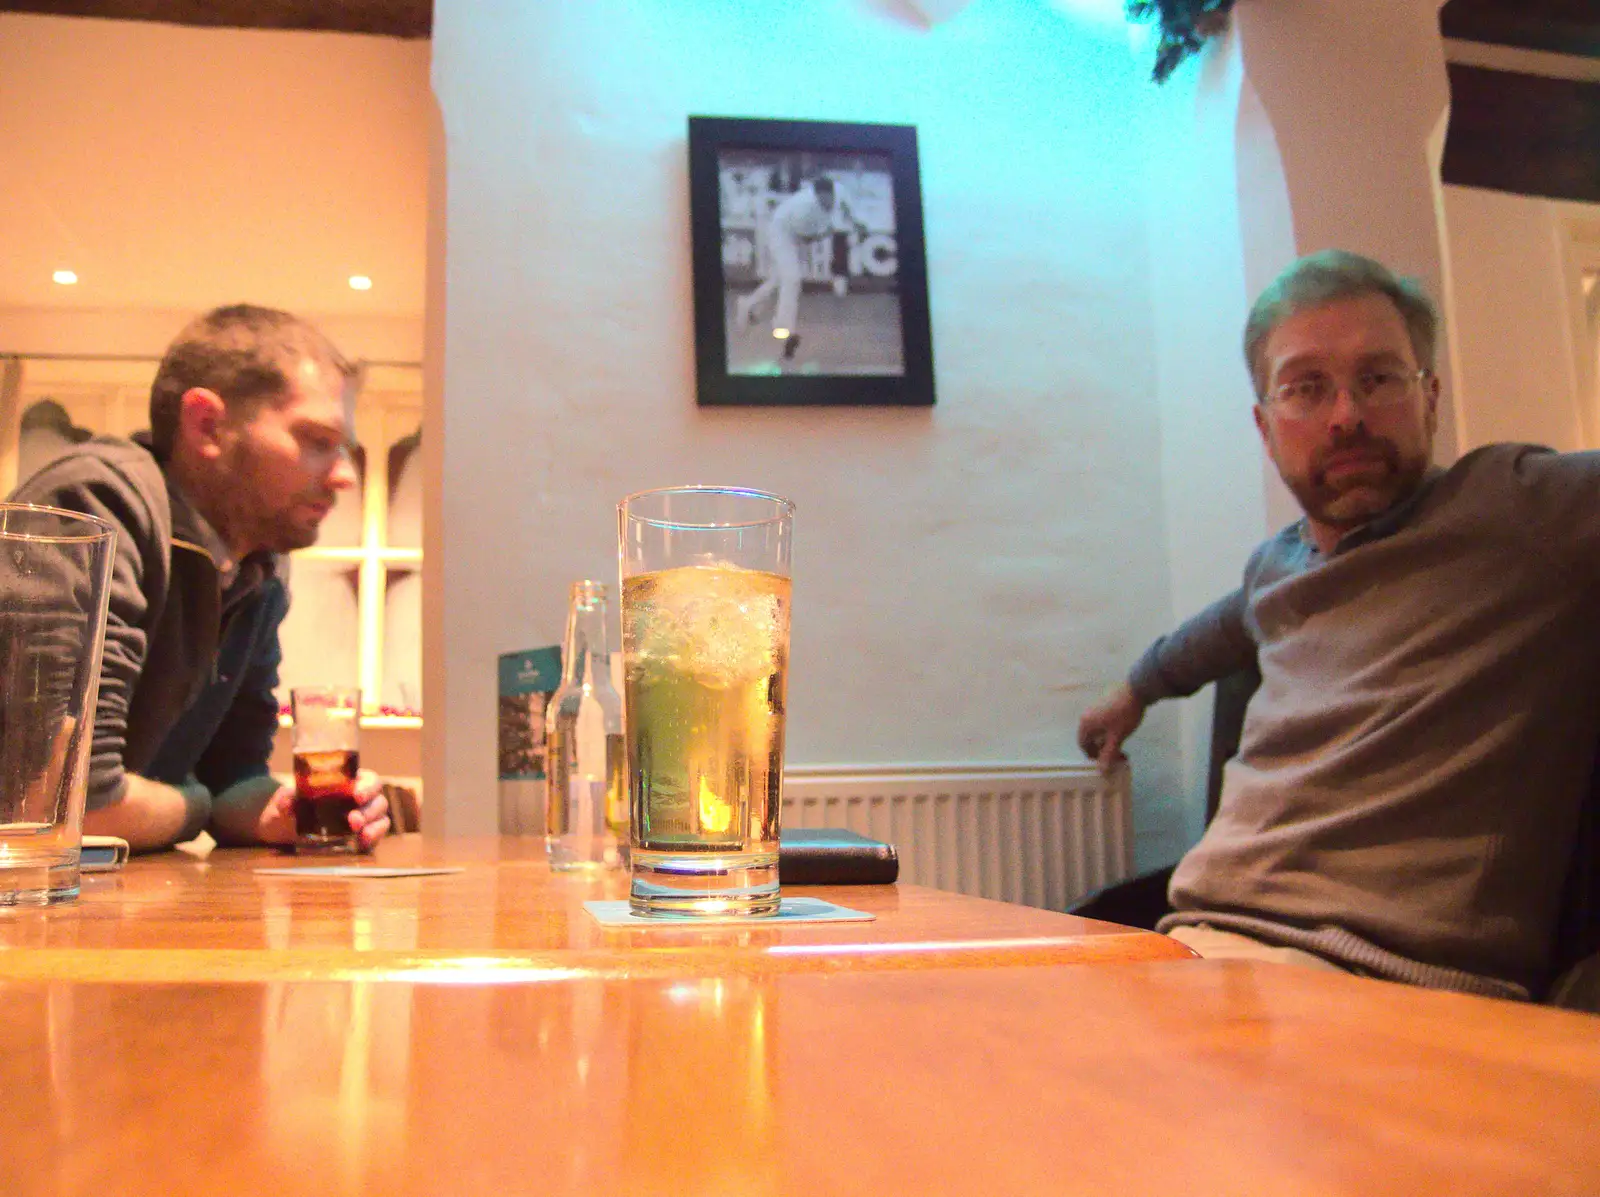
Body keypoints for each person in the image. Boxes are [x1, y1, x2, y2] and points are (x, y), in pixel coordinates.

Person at [1077, 250, 1600, 1003]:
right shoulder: (1276, 569)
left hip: (1378, 978)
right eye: (1307, 387)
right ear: (1265, 426)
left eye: (1379, 377)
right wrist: (1130, 692)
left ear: (1431, 396)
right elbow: (1215, 632)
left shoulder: (1518, 512)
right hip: (1198, 949)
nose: (1346, 414)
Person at [8, 305, 391, 853]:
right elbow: (69, 803)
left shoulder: (258, 564)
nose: (345, 475)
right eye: (315, 439)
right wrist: (195, 803)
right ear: (207, 424)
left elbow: (234, 772)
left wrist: (285, 811)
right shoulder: (95, 506)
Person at [734, 175, 868, 365]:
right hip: (782, 232)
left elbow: (847, 209)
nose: (826, 202)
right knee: (792, 278)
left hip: (799, 232)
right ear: (815, 195)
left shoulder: (840, 191)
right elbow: (805, 238)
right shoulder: (805, 208)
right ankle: (783, 327)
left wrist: (857, 224)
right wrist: (829, 231)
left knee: (779, 279)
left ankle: (747, 303)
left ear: (832, 193)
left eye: (828, 198)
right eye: (821, 198)